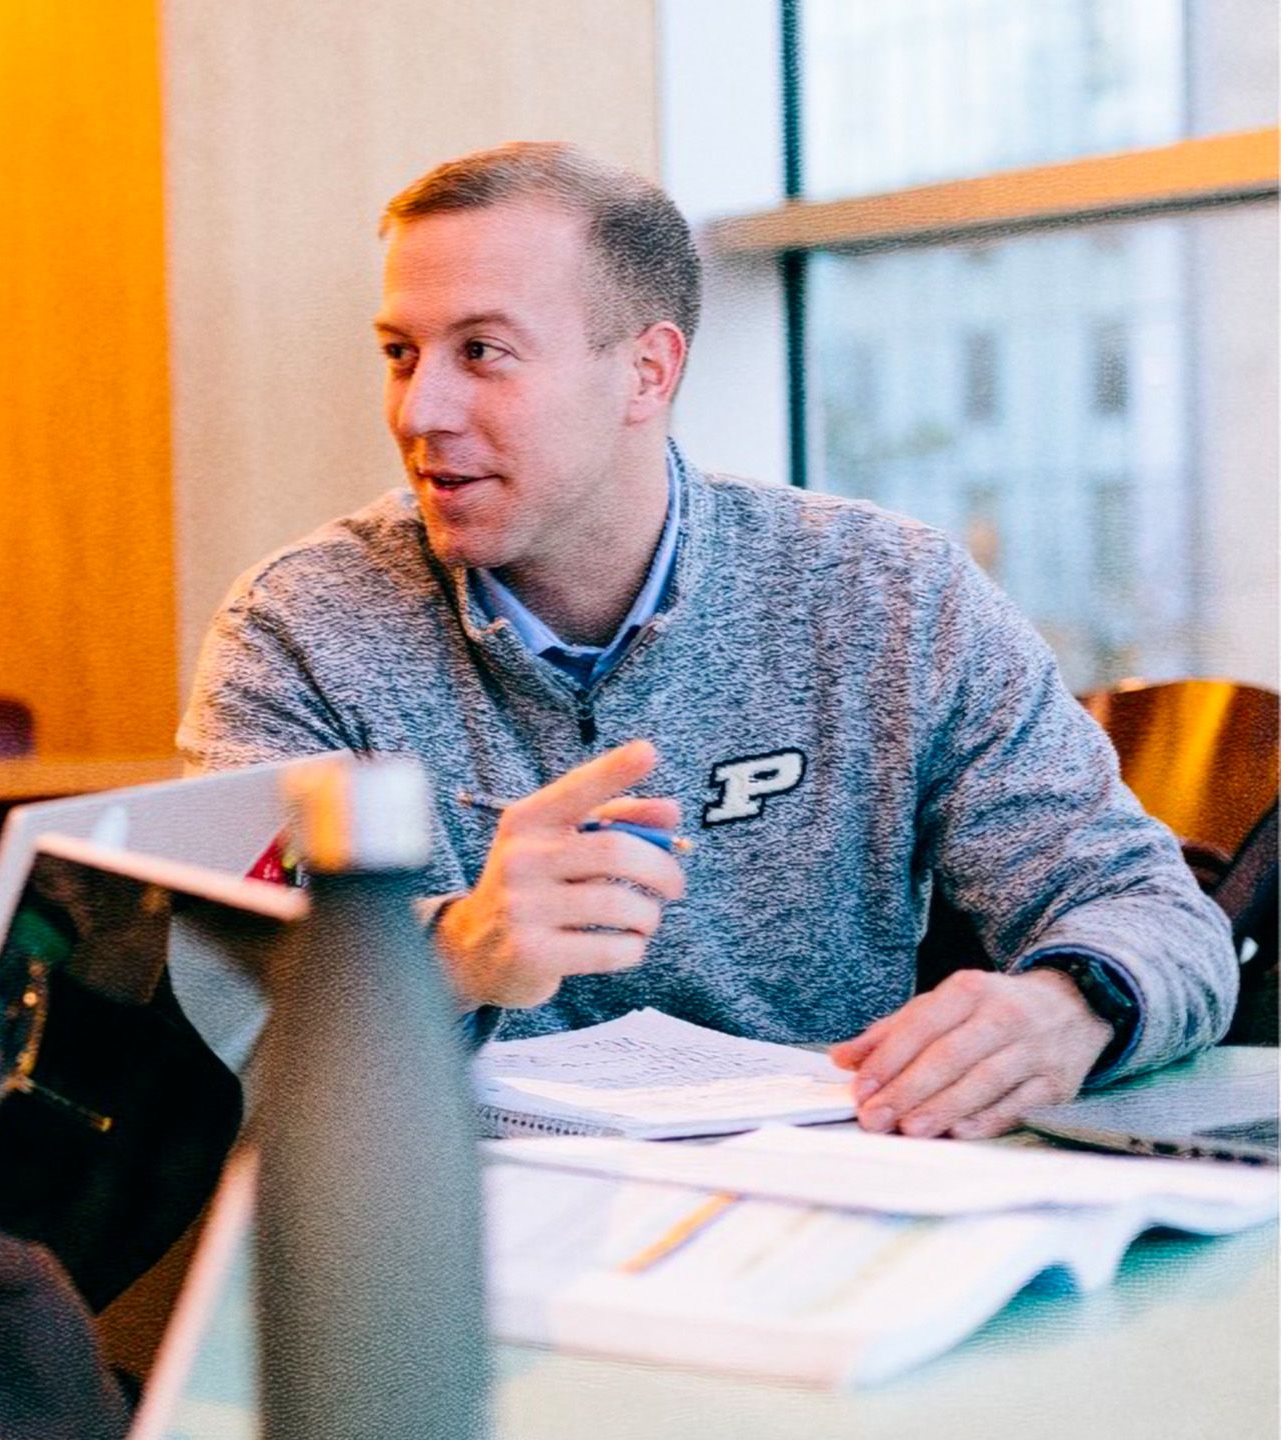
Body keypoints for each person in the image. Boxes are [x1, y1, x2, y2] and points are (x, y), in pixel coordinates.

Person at [179, 142, 1235, 1141]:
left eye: (481, 353)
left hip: (818, 1226)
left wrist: (1066, 1007)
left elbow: (1157, 915)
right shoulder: (301, 628)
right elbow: (218, 1004)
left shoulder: (887, 598)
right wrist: (454, 950)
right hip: (446, 1243)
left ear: (646, 372)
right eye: (401, 355)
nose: (421, 410)